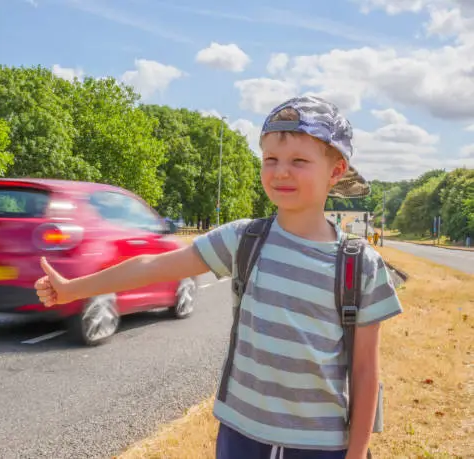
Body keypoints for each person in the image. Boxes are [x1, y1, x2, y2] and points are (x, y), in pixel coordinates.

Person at [35, 95, 403, 459]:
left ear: (336, 171)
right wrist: (73, 289)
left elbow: (366, 372)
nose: (280, 171)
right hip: (241, 436)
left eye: (299, 161)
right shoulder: (243, 239)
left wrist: (356, 454)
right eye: (270, 159)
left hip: (322, 447)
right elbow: (151, 266)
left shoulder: (360, 265)